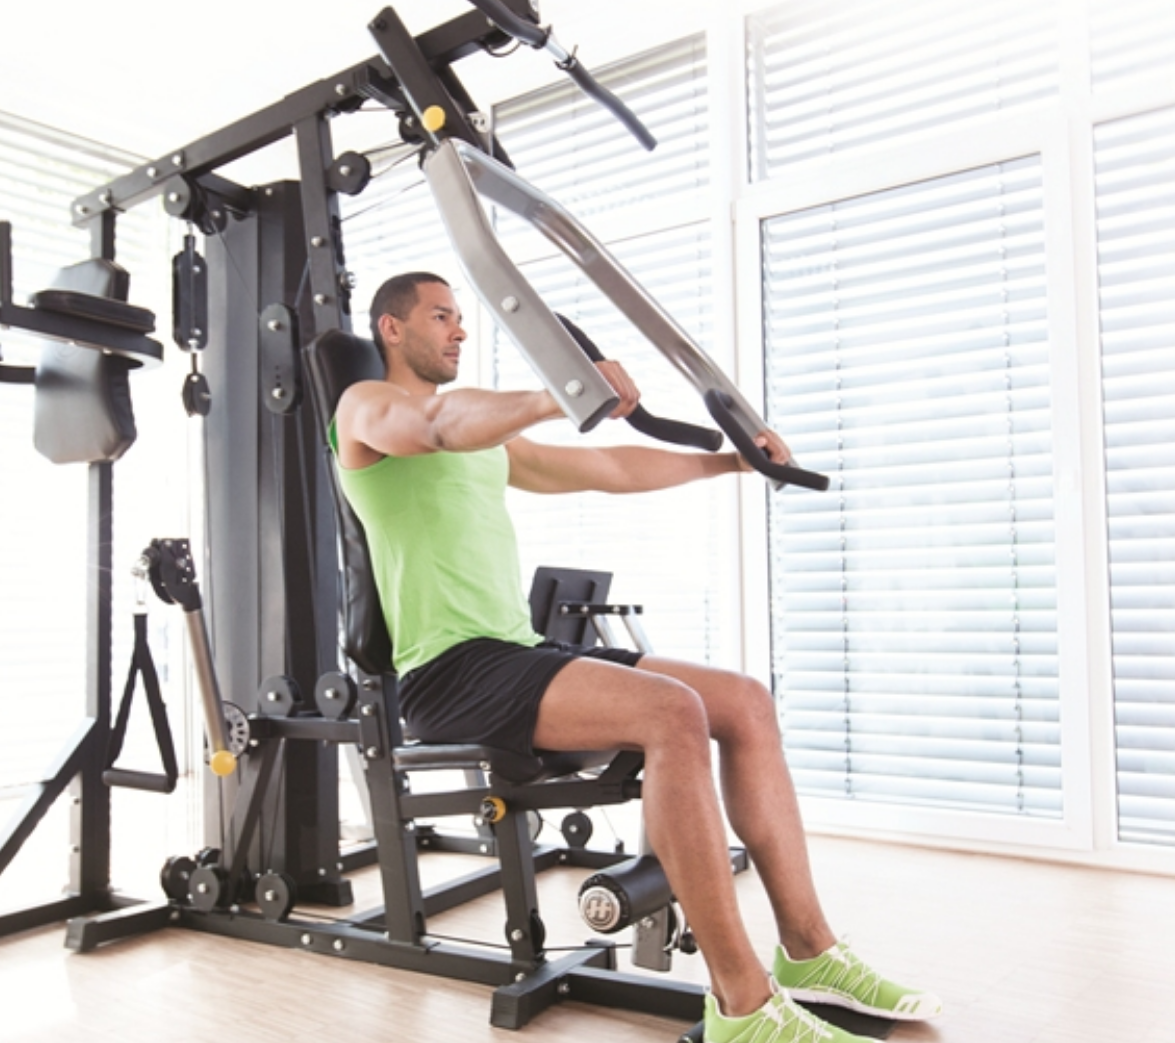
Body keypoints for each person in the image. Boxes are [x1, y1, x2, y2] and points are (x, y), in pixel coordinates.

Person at [331, 272, 942, 1043]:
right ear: (391, 328)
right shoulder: (365, 410)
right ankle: (743, 1010)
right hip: (448, 672)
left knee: (745, 701)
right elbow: (441, 424)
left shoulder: (488, 443)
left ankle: (809, 952)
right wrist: (565, 391)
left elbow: (610, 469)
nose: (458, 330)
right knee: (671, 712)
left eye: (460, 318)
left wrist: (733, 463)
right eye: (441, 316)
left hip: (514, 651)